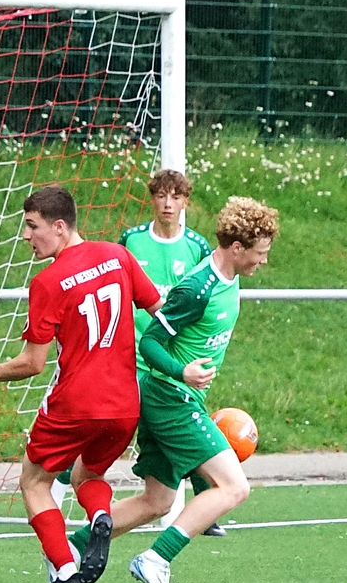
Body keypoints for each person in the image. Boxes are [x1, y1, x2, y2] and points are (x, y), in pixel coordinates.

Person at [67, 197, 279, 583]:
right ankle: (156, 559)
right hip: (170, 397)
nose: (263, 260)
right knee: (234, 487)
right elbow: (149, 342)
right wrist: (182, 372)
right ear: (237, 248)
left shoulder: (228, 274)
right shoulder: (197, 288)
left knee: (158, 500)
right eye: (260, 252)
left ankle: (69, 549)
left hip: (176, 397)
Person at [0, 186, 162, 583]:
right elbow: (157, 308)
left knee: (34, 480)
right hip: (125, 404)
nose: (26, 236)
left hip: (75, 403)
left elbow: (33, 363)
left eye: (32, 226)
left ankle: (66, 575)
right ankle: (101, 516)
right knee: (88, 475)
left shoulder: (48, 281)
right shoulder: (118, 255)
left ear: (59, 226)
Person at [55, 171, 226, 537]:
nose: (168, 204)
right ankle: (63, 481)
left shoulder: (196, 246)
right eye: (161, 196)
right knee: (106, 427)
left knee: (177, 425)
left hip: (166, 358)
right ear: (151, 199)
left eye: (175, 197)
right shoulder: (132, 240)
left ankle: (205, 507)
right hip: (126, 355)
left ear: (185, 202)